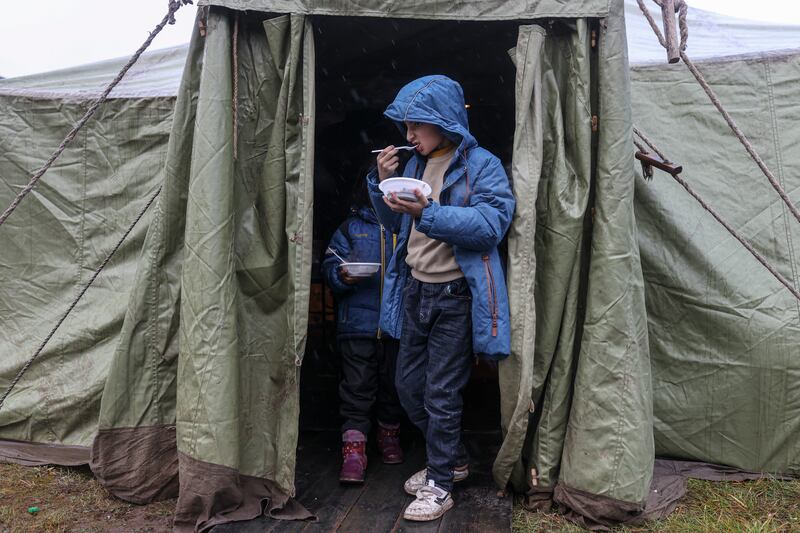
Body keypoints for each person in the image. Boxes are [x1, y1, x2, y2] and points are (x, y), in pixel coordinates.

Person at [367, 75, 515, 521]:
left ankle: (441, 484)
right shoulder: (412, 166)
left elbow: (491, 226)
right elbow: (396, 228)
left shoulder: (481, 165)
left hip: (455, 296)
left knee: (441, 392)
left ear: (443, 122)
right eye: (405, 127)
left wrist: (428, 213)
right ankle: (451, 459)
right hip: (415, 290)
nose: (407, 136)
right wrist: (383, 184)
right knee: (408, 385)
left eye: (416, 126)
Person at [322, 179, 404, 484]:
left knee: (394, 385)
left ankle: (389, 436)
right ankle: (354, 450)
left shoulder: (405, 225)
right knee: (357, 388)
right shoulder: (350, 228)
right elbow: (330, 266)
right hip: (357, 325)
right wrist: (341, 273)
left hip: (396, 325)